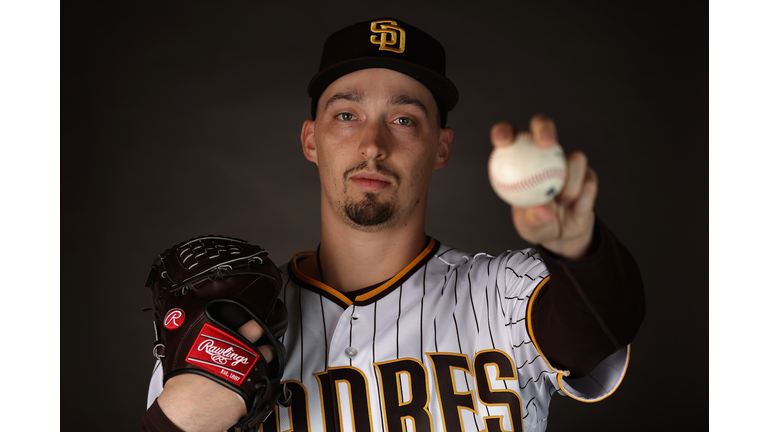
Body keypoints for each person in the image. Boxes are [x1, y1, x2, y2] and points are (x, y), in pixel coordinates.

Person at [142, 17, 645, 432]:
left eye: (404, 119)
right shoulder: (231, 324)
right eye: (346, 115)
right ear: (310, 140)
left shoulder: (505, 296)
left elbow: (600, 322)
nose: (372, 144)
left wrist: (580, 248)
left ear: (441, 147)